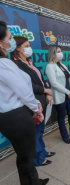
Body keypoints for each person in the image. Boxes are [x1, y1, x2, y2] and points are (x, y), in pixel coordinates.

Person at [0, 21, 49, 184]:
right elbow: (23, 90)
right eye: (10, 37)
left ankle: (31, 182)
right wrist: (36, 108)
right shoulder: (4, 64)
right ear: (1, 42)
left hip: (8, 117)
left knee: (23, 156)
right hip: (17, 116)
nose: (11, 40)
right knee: (27, 156)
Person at [11, 36, 55, 167]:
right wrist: (46, 91)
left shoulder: (29, 62)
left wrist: (46, 92)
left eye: (29, 46)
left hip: (42, 99)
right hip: (32, 103)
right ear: (18, 48)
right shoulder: (15, 64)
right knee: (35, 133)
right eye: (26, 46)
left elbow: (40, 79)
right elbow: (27, 85)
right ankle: (37, 159)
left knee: (41, 130)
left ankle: (42, 152)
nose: (29, 49)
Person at [46, 45, 70, 144]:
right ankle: (65, 136)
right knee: (61, 117)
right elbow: (54, 83)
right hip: (60, 96)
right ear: (53, 54)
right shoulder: (49, 66)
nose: (61, 53)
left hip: (69, 95)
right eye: (58, 51)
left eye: (61, 51)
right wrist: (68, 92)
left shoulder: (63, 65)